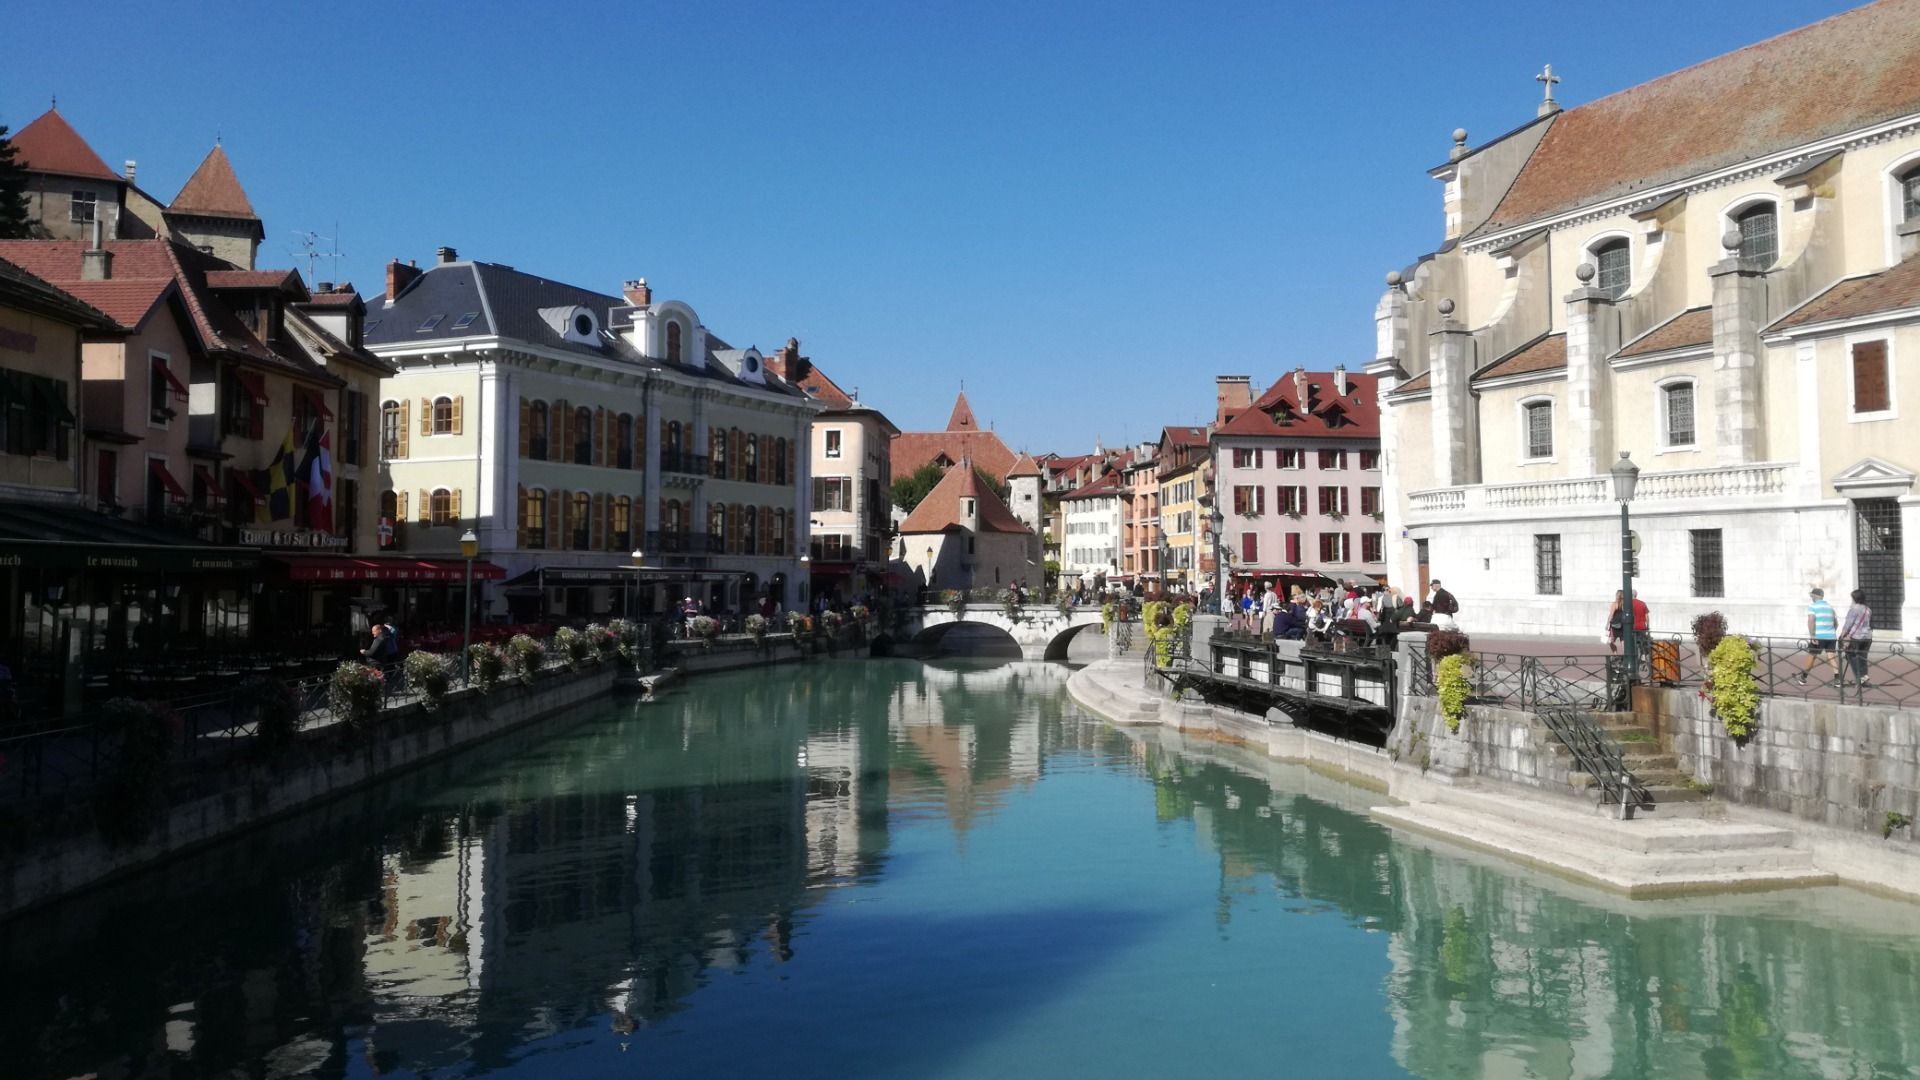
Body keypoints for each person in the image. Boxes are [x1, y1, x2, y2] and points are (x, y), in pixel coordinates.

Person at [1796, 587, 1839, 686]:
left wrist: (1812, 636)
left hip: (1819, 636)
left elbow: (1811, 620)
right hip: (1831, 636)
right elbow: (1836, 623)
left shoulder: (1813, 606)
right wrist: (1831, 632)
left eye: (1811, 595)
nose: (1811, 597)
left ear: (1815, 596)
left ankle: (1803, 677)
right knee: (1831, 657)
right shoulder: (1830, 607)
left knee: (1812, 656)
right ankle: (1837, 679)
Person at [1840, 588, 1874, 689]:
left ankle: (1859, 678)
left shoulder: (1854, 609)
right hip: (1867, 637)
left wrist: (1842, 635)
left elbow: (1848, 624)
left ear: (1855, 598)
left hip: (1856, 637)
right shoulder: (1868, 609)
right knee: (1863, 658)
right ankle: (1865, 679)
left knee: (1852, 657)